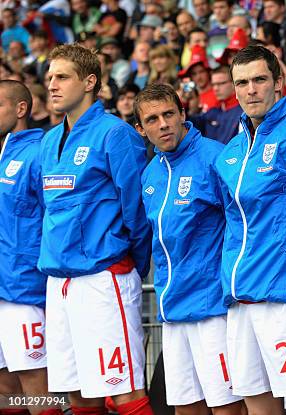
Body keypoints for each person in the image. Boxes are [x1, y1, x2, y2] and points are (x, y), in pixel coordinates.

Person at [214, 45, 286, 415]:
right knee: (255, 403)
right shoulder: (230, 152)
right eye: (242, 82)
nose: (251, 90)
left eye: (259, 80)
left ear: (279, 83)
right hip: (241, 296)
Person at [40, 43, 153, 415]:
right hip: (59, 282)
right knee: (78, 393)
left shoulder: (115, 134)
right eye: (49, 77)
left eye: (62, 77)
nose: (52, 85)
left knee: (124, 391)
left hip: (104, 278)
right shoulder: (47, 140)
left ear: (90, 82)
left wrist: (124, 262)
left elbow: (137, 211)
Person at [135, 83, 244, 415]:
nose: (163, 124)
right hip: (172, 309)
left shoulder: (215, 157)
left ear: (183, 114)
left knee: (226, 407)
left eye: (169, 114)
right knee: (186, 407)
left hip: (213, 308)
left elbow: (240, 226)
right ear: (140, 129)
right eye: (152, 119)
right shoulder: (150, 173)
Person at [0, 80, 63, 415]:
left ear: (21, 109)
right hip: (1, 290)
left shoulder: (39, 151)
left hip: (25, 292)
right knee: (6, 392)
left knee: (37, 389)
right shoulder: (2, 153)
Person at [191, 65, 242, 144]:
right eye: (214, 84)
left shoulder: (243, 113)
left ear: (234, 84)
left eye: (221, 83)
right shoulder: (213, 112)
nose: (216, 88)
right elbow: (191, 125)